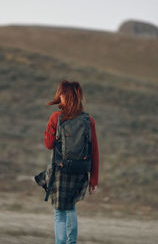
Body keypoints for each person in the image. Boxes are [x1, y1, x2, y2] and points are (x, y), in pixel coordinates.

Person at [43, 80, 99, 244]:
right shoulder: (88, 120)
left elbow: (48, 144)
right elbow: (94, 151)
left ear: (65, 96)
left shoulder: (56, 117)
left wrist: (50, 129)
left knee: (60, 212)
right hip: (80, 171)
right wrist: (93, 180)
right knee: (71, 208)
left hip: (60, 170)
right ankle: (71, 242)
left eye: (60, 93)